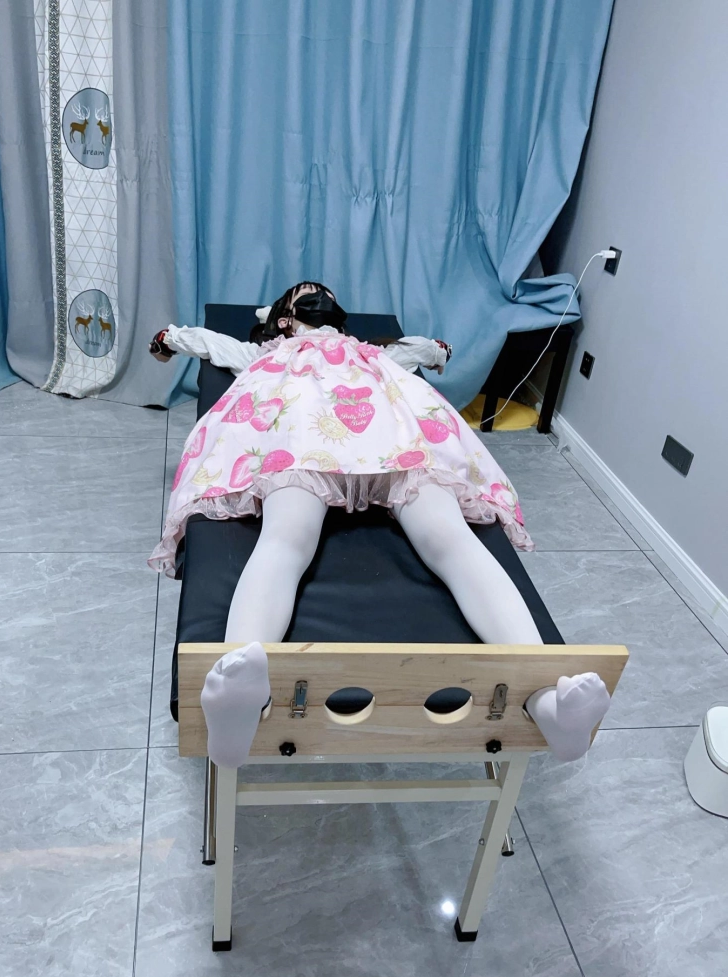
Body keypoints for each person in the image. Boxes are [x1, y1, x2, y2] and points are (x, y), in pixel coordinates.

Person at [149, 282, 611, 767]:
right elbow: (209, 343)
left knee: (451, 538)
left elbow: (420, 352)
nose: (320, 296)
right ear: (283, 318)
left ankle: (546, 703)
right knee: (286, 537)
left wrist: (436, 351)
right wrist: (169, 339)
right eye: (308, 293)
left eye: (325, 293)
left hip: (393, 440)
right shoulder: (266, 352)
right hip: (304, 440)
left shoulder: (371, 352)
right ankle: (242, 702)